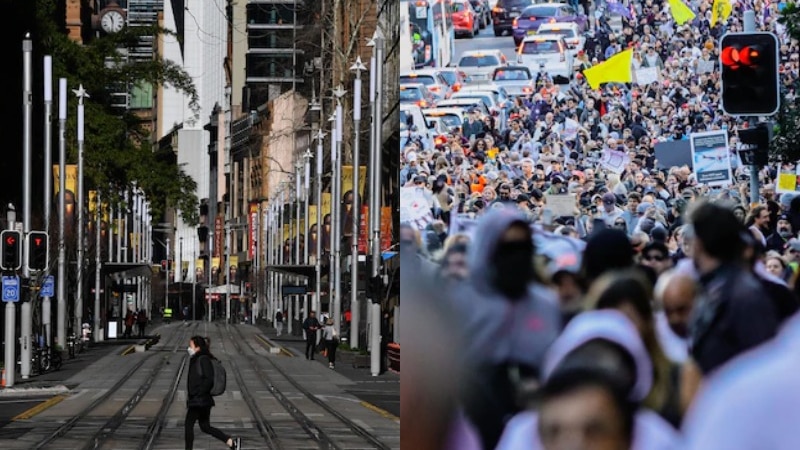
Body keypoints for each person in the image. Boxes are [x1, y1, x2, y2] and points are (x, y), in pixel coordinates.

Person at [185, 336, 240, 450]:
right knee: (205, 427)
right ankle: (230, 442)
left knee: (188, 426)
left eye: (191, 346)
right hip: (200, 399)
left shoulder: (203, 359)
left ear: (197, 347)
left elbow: (209, 379)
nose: (189, 348)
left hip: (199, 400)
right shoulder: (197, 358)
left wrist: (199, 392)